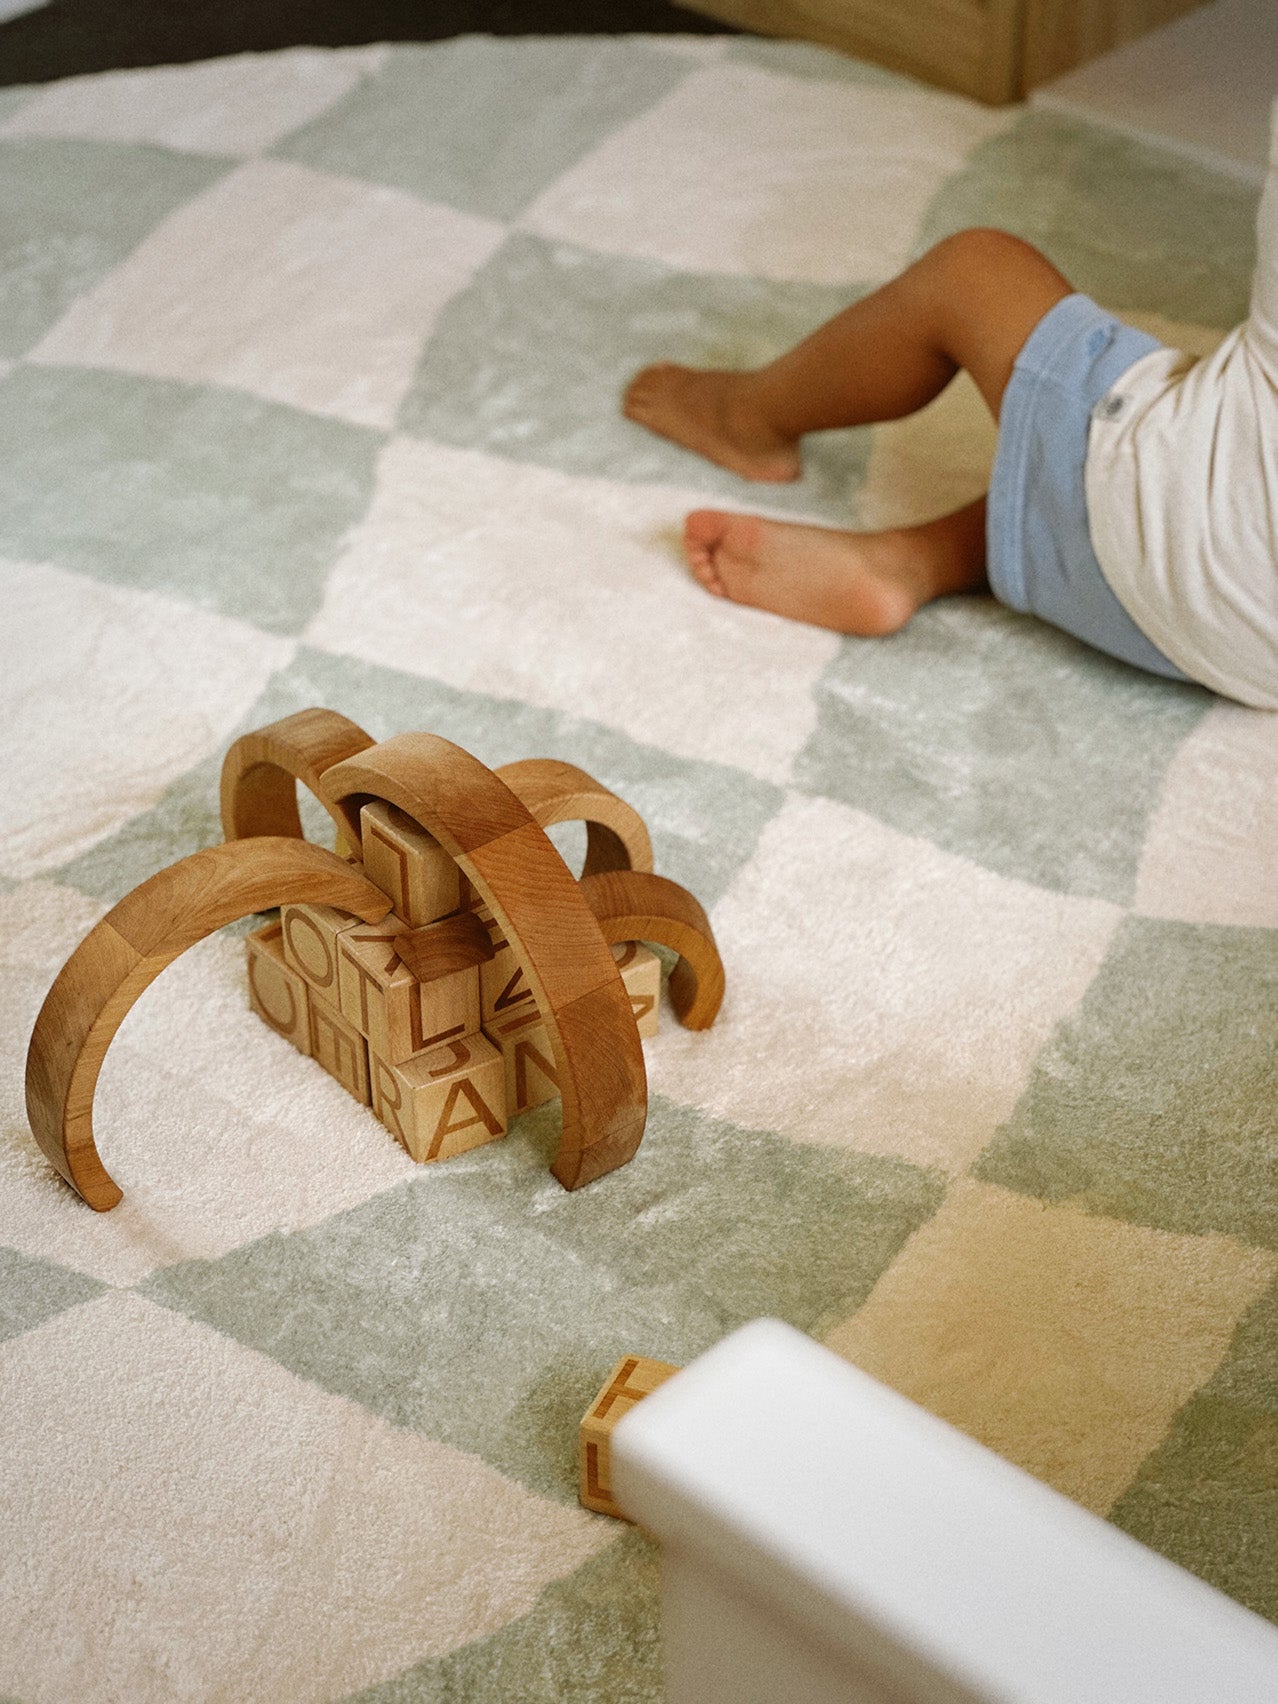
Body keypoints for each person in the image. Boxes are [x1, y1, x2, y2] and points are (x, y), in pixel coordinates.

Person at [622, 102, 1278, 710]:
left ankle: (746, 420)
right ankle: (918, 558)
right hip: (1259, 660)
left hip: (1186, 568)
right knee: (1215, 436)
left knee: (973, 275)